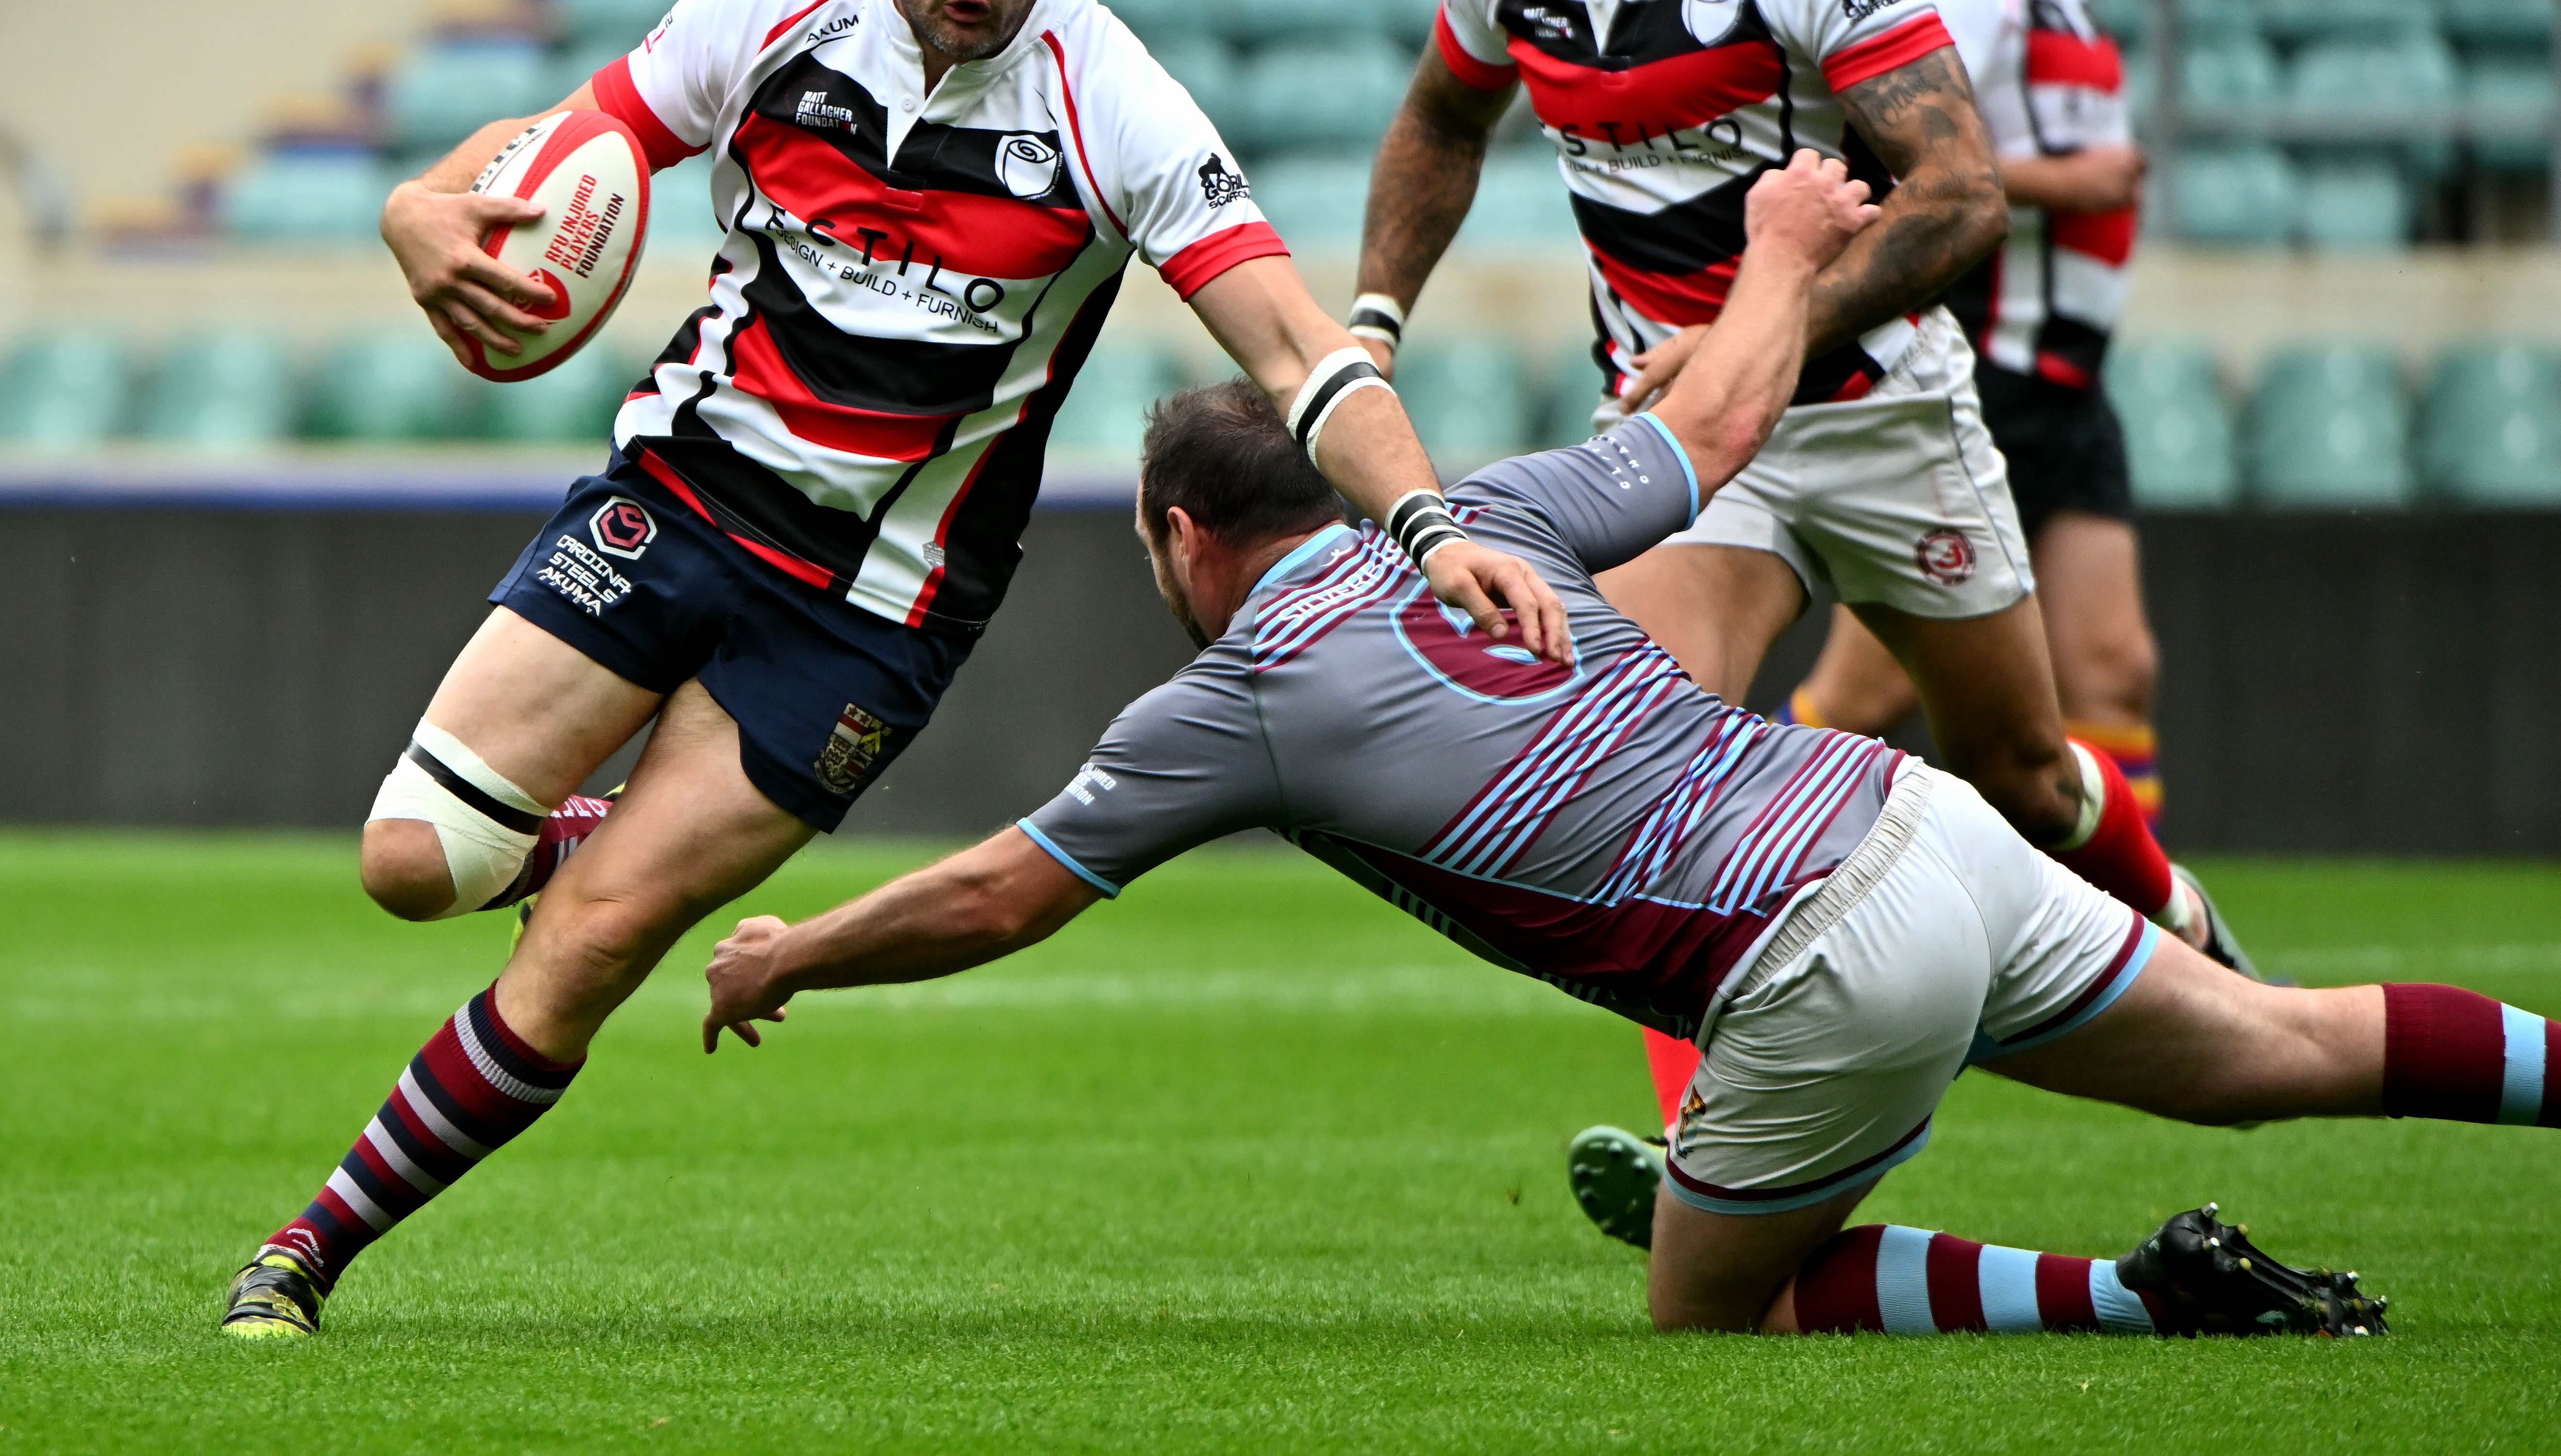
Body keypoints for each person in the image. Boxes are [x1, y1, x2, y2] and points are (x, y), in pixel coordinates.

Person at [700, 149, 2533, 1340]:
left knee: (1707, 1302)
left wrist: (795, 950)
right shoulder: (1490, 511)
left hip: (1819, 955)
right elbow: (1721, 424)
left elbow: (1000, 892)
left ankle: (2141, 1298)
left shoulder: (1239, 688)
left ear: (1182, 536)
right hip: (1916, 816)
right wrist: (1779, 249)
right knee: (2282, 1046)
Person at [217, 0, 1565, 1338]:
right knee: (412, 865)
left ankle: (301, 1255)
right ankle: (593, 835)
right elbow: (565, 142)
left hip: (873, 610)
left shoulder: (1113, 101)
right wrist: (418, 201)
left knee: (595, 947)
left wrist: (1425, 524)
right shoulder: (765, 17)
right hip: (678, 501)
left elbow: (1290, 346)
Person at [1341, 0, 2245, 1182]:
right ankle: (1704, 1145)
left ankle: (2187, 930)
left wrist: (1753, 331)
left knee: (2022, 772)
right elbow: (1441, 114)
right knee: (1628, 766)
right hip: (1688, 450)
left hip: (1880, 416)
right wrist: (1372, 321)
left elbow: (1958, 197)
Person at [1774, 0, 2174, 886]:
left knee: (2112, 668)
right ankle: (1752, 881)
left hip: (2068, 379)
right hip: (1987, 367)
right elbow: (1913, 159)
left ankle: (2142, 950)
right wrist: (2072, 180)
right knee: (1866, 693)